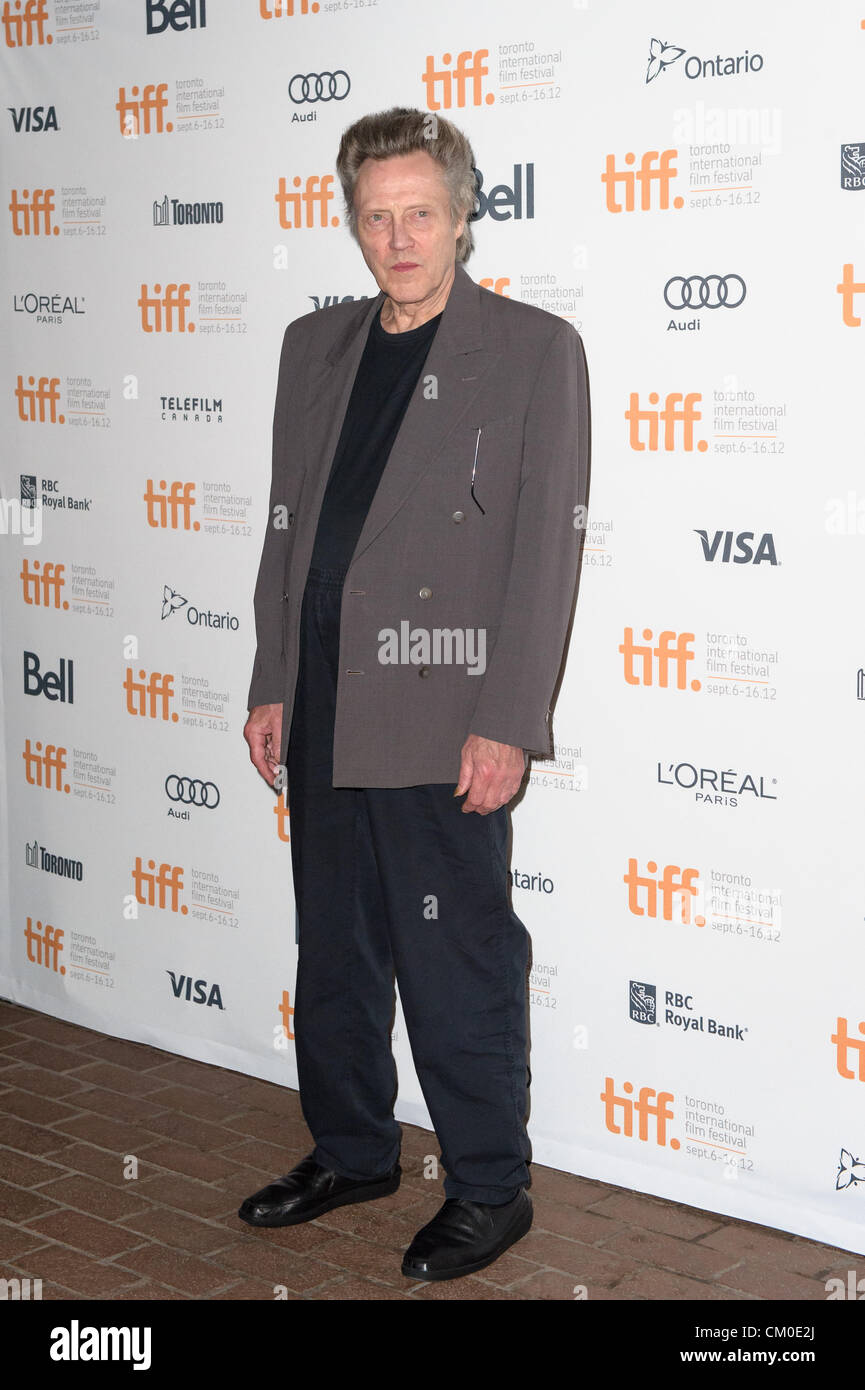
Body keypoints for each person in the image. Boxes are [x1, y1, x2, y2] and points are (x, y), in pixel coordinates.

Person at [240, 107, 590, 1283]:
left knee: (457, 960)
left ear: (463, 214)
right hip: (327, 697)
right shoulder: (312, 347)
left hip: (444, 712)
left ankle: (491, 1186)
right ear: (352, 220)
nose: (396, 238)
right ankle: (352, 1148)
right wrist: (272, 678)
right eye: (375, 216)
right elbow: (288, 532)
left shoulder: (535, 349)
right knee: (332, 949)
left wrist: (507, 719)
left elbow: (545, 555)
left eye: (419, 214)